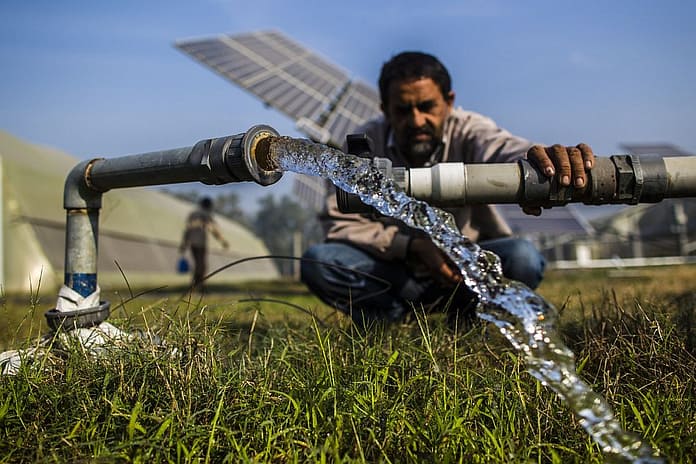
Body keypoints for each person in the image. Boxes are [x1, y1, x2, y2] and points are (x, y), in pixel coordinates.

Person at [300, 51, 594, 328]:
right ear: (384, 110)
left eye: (427, 107)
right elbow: (340, 223)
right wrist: (411, 246)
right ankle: (390, 316)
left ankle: (469, 313)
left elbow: (502, 147)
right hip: (398, 276)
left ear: (449, 101)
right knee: (320, 261)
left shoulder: (469, 130)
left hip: (466, 270)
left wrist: (534, 159)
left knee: (522, 258)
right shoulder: (361, 147)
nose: (416, 121)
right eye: (403, 110)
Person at [179, 197, 229, 290]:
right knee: (201, 265)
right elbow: (214, 230)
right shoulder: (205, 215)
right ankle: (199, 285)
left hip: (193, 243)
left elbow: (187, 230)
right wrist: (222, 241)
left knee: (198, 264)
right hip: (200, 243)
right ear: (208, 206)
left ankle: (196, 284)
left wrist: (184, 244)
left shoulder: (193, 214)